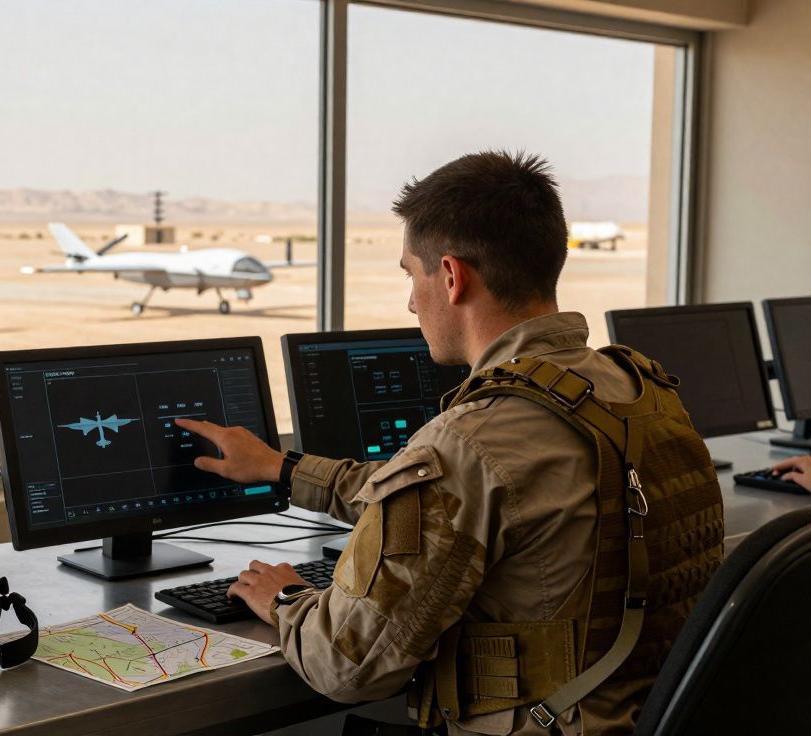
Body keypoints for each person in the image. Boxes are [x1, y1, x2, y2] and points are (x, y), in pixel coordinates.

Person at [176, 151, 723, 735]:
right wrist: (282, 468)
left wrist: (286, 599)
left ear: (453, 276)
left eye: (412, 275)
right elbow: (453, 499)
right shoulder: (636, 389)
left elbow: (344, 666)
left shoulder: (473, 438)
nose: (413, 301)